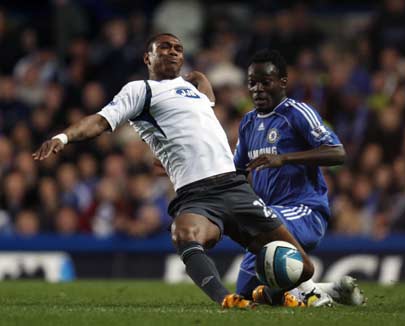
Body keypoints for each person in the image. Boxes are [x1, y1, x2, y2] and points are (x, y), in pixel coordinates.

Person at [32, 33, 316, 308]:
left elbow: (203, 103)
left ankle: (267, 294)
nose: (172, 51)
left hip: (236, 187)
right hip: (197, 196)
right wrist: (63, 137)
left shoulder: (193, 91)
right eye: (164, 47)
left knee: (303, 268)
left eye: (178, 48)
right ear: (147, 57)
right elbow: (99, 121)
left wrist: (199, 80)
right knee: (183, 233)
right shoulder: (140, 90)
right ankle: (227, 299)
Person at [234, 49, 365, 307]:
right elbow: (235, 170)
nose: (257, 89)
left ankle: (310, 295)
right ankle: (332, 291)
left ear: (283, 82)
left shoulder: (297, 113)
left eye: (265, 82)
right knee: (249, 292)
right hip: (268, 219)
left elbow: (337, 153)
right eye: (252, 83)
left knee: (265, 218)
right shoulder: (248, 123)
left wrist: (285, 158)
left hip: (305, 210)